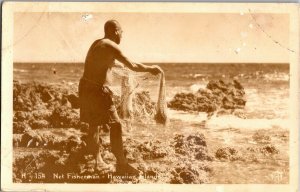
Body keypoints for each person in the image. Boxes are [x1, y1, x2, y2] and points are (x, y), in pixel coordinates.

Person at [79, 20, 163, 175]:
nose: (122, 36)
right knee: (116, 125)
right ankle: (121, 164)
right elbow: (132, 65)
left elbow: (105, 64)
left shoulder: (98, 43)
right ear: (116, 31)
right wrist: (151, 68)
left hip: (86, 87)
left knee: (94, 126)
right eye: (122, 32)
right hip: (97, 91)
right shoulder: (111, 45)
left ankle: (98, 161)